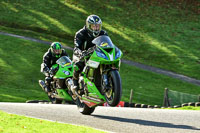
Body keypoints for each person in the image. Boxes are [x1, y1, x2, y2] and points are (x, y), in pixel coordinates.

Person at [72, 14, 108, 93]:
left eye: (98, 26)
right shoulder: (80, 34)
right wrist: (80, 53)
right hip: (83, 54)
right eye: (94, 26)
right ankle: (75, 83)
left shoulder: (103, 33)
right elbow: (76, 47)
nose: (96, 28)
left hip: (98, 54)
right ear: (89, 26)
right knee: (78, 65)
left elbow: (108, 44)